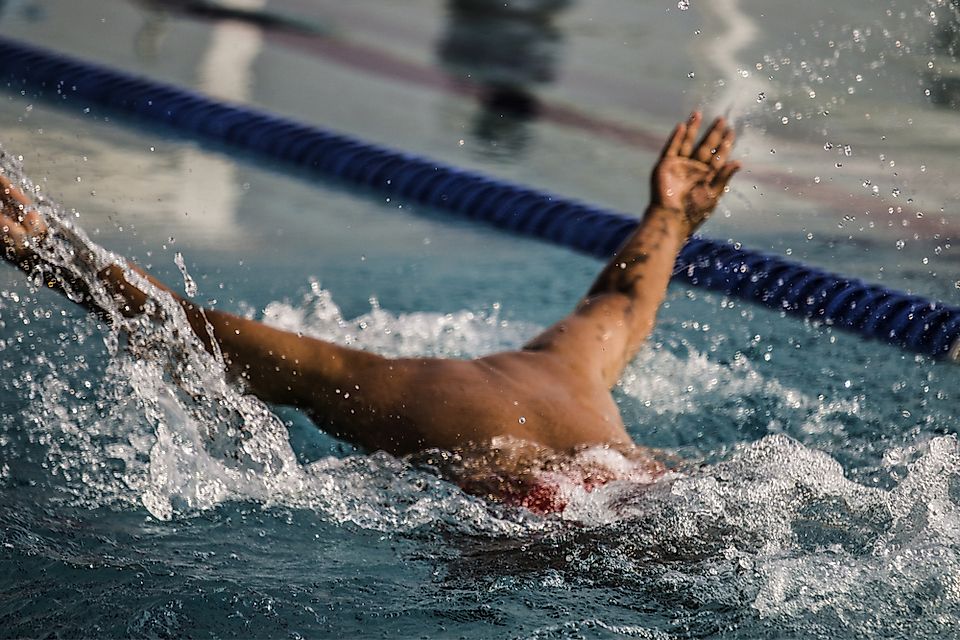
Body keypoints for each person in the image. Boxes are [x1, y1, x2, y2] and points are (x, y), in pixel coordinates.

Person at [1, 113, 740, 512]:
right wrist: (670, 216)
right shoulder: (571, 365)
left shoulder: (388, 385)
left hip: (543, 518)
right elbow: (621, 302)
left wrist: (53, 256)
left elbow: (195, 330)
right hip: (664, 492)